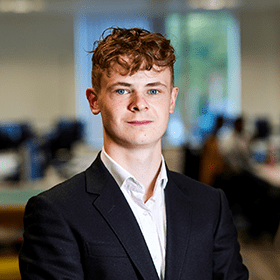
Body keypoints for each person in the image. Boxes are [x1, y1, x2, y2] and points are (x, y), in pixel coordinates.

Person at [19, 27, 248, 279]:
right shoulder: (55, 212)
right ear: (94, 101)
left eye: (153, 90)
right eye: (122, 90)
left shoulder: (210, 205)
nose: (139, 103)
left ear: (171, 100)